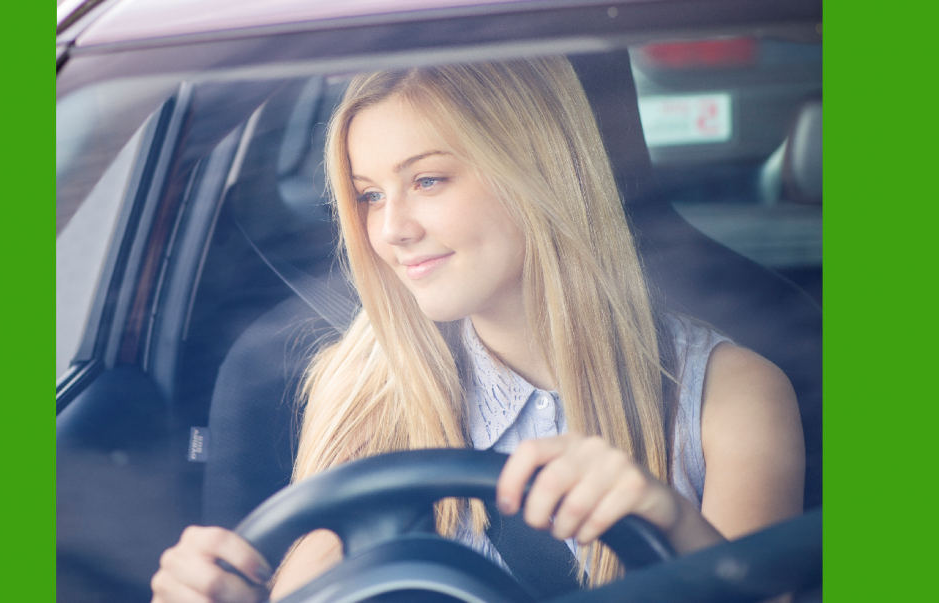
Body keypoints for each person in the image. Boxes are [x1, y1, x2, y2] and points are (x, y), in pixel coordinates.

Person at [150, 57, 805, 603]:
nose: (391, 229)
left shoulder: (732, 396)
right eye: (370, 194)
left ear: (539, 172)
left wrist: (671, 522)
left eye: (427, 180)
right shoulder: (359, 384)